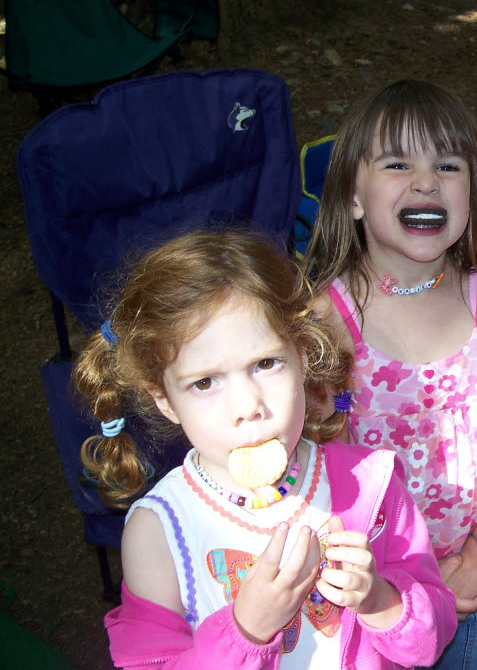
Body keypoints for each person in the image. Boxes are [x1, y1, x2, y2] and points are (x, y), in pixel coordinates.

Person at [76, 229, 456, 670]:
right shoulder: (157, 532)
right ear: (164, 399)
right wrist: (247, 631)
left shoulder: (368, 486)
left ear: (302, 357)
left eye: (265, 364)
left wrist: (379, 600)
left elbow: (433, 635)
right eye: (205, 382)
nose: (248, 407)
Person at [302, 80, 477, 670]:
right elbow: (311, 459)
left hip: (473, 571)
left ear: (471, 194)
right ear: (353, 197)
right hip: (374, 585)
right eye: (397, 162)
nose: (427, 180)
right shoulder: (329, 318)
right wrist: (366, 578)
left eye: (448, 165)